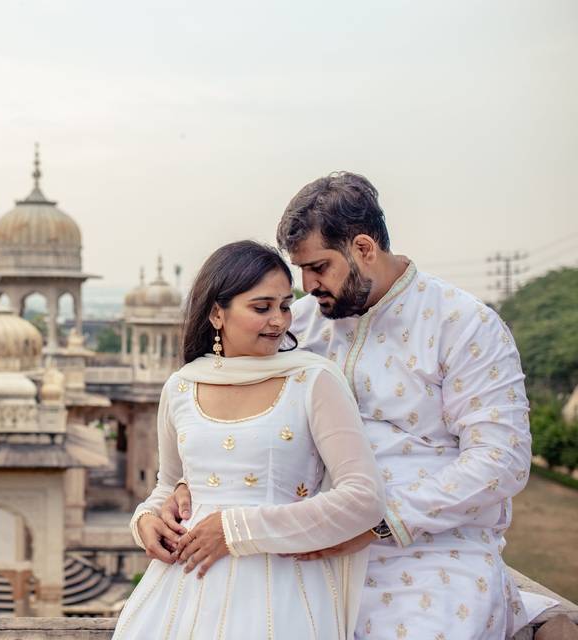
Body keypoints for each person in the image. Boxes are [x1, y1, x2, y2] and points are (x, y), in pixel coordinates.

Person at [162, 172, 549, 638]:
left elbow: (500, 462)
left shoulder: (463, 324)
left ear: (363, 248)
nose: (305, 285)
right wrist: (189, 481)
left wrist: (381, 526)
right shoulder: (298, 324)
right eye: (299, 270)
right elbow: (235, 404)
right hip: (298, 540)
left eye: (318, 267)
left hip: (429, 552)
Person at [113, 241, 385, 640]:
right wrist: (147, 521)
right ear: (216, 313)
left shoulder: (313, 381)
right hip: (182, 596)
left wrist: (236, 529)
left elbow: (364, 498)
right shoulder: (183, 387)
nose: (278, 321)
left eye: (285, 305)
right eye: (262, 308)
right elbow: (169, 485)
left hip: (280, 591)